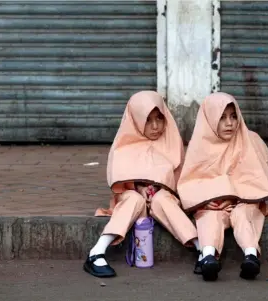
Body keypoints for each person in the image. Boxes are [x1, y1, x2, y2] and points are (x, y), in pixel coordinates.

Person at [83, 91, 199, 278]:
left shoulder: (170, 140)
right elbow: (120, 178)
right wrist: (139, 187)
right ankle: (97, 252)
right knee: (133, 200)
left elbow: (178, 178)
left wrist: (159, 188)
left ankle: (203, 250)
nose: (155, 126)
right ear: (136, 120)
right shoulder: (124, 144)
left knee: (163, 200)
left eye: (159, 119)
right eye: (147, 120)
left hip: (163, 195)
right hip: (132, 194)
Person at [177, 92, 268, 281]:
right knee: (209, 216)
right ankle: (208, 257)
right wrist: (206, 201)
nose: (230, 123)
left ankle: (251, 256)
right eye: (222, 117)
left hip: (243, 200)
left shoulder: (247, 140)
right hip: (213, 204)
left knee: (242, 214)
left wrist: (234, 196)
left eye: (234, 116)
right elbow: (191, 182)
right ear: (209, 119)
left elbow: (255, 177)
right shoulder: (199, 146)